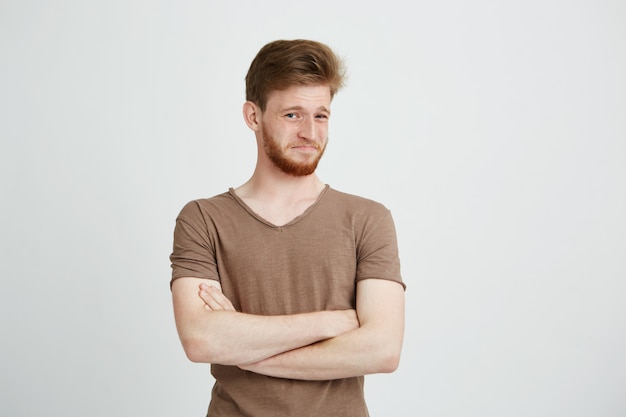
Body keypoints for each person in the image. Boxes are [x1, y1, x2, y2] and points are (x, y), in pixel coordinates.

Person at [170, 39, 405, 417]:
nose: (310, 133)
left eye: (321, 116)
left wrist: (245, 351)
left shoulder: (368, 219)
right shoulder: (203, 219)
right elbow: (201, 340)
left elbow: (382, 349)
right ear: (253, 116)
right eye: (293, 115)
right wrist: (333, 322)